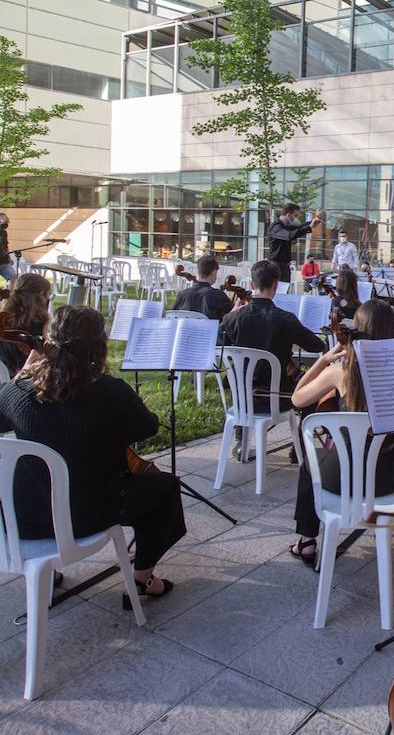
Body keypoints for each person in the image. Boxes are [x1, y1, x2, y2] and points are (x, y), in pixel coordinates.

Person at [0, 306, 187, 605]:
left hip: (24, 518)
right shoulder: (109, 391)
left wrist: (23, 374)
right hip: (86, 516)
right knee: (165, 487)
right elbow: (148, 427)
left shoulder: (16, 392)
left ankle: (49, 572)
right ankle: (142, 579)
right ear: (98, 348)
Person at [288, 299, 394, 567]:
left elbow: (297, 398)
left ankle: (306, 541)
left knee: (309, 463)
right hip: (386, 480)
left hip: (338, 478)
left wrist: (323, 360)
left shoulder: (339, 372)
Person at [220, 259, 323, 417]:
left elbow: (217, 344)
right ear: (275, 285)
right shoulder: (286, 319)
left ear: (252, 285)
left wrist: (231, 314)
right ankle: (304, 432)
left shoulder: (233, 318)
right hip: (278, 399)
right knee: (315, 392)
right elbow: (317, 346)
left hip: (241, 399)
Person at [0, 273, 52, 377]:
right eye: (48, 295)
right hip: (27, 377)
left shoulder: (4, 319)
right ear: (42, 295)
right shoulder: (41, 324)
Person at [173, 254, 233, 319]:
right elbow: (233, 316)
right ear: (214, 272)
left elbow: (172, 315)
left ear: (198, 272)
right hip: (210, 326)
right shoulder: (217, 295)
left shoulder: (182, 294)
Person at [266, 203, 312, 284]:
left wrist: (311, 224)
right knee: (277, 290)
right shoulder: (275, 227)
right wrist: (309, 226)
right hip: (275, 266)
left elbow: (299, 228)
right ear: (288, 215)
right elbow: (290, 235)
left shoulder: (285, 227)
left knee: (285, 289)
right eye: (295, 215)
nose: (296, 218)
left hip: (284, 266)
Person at [0, 212, 14, 284]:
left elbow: (6, 246)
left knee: (13, 277)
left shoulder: (4, 232)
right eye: (6, 222)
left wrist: (9, 258)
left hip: (4, 261)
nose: (7, 224)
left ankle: (10, 291)